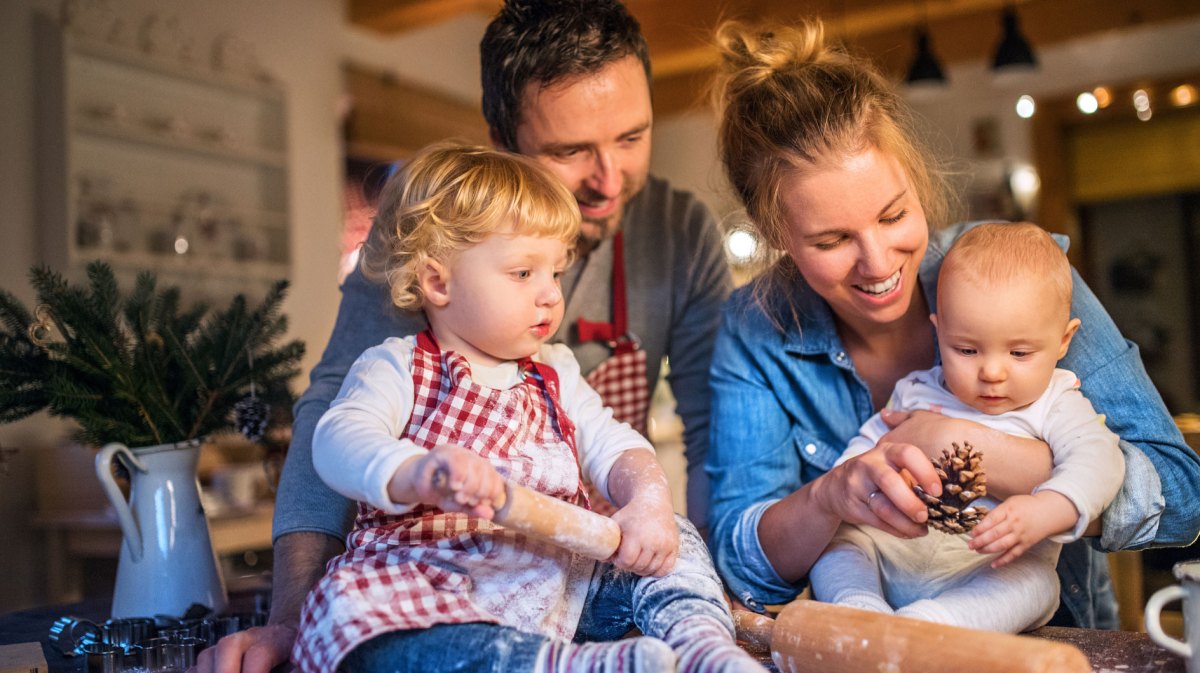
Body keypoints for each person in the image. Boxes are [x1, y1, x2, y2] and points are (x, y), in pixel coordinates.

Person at [196, 2, 731, 671]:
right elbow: (336, 410)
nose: (608, 179)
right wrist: (293, 619)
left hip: (578, 567)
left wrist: (681, 553)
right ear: (503, 140)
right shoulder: (437, 226)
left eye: (632, 137)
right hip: (447, 580)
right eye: (569, 151)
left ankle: (705, 647)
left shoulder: (678, 236)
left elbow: (709, 436)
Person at [704, 18, 1200, 629]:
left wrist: (959, 447)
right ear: (776, 234)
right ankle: (874, 624)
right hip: (877, 634)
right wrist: (831, 495)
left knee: (1028, 584)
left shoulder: (1019, 275)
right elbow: (740, 565)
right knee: (843, 551)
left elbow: (1182, 495)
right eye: (832, 240)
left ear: (915, 183)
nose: (878, 263)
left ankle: (924, 631)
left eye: (893, 216)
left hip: (1037, 638)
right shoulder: (754, 329)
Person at [289, 142, 760, 673]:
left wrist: (647, 502)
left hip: (559, 585)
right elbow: (338, 439)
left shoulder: (556, 370)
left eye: (555, 273)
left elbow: (615, 444)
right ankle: (568, 666)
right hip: (433, 588)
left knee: (674, 537)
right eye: (522, 274)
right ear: (439, 282)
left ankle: (702, 643)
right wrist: (414, 472)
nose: (550, 295)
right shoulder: (397, 367)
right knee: (351, 620)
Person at [809, 222, 1124, 633]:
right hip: (891, 549)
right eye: (966, 349)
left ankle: (932, 626)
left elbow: (1101, 459)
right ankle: (860, 608)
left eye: (1019, 353)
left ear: (1063, 340)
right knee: (837, 546)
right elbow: (864, 453)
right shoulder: (915, 391)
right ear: (939, 332)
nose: (992, 372)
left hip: (987, 564)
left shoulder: (1057, 403)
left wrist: (1050, 507)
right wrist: (856, 482)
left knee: (1039, 585)